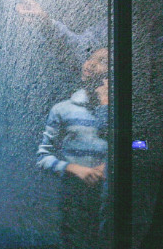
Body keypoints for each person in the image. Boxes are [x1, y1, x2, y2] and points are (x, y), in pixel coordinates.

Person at [36, 48, 110, 249]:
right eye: (90, 58)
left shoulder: (121, 109)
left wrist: (105, 105)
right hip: (74, 200)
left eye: (102, 60)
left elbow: (139, 144)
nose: (91, 64)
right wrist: (75, 169)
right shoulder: (63, 109)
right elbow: (43, 157)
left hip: (112, 201)